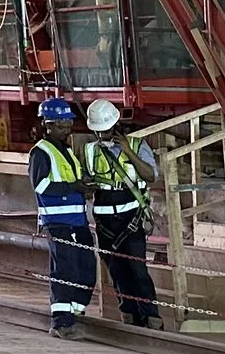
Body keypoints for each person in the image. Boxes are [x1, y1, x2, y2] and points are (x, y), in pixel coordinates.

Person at [82, 99, 160, 329]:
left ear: (115, 126)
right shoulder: (90, 150)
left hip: (132, 218)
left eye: (105, 131)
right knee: (116, 270)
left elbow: (150, 176)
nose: (102, 136)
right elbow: (86, 178)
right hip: (105, 220)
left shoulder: (137, 146)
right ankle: (129, 315)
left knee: (138, 269)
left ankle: (151, 317)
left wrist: (127, 151)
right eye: (98, 132)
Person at [29, 96, 96, 337]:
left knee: (86, 267)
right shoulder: (41, 152)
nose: (67, 129)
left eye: (68, 124)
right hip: (58, 223)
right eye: (61, 125)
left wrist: (83, 186)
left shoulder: (66, 150)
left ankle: (77, 311)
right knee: (64, 270)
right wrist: (75, 187)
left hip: (77, 222)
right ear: (47, 125)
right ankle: (61, 321)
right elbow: (42, 185)